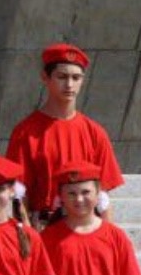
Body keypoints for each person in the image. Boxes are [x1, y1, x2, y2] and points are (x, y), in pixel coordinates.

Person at [9, 44, 126, 224]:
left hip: (87, 227)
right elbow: (19, 195)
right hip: (45, 227)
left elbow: (103, 196)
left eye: (76, 77)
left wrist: (107, 234)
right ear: (45, 77)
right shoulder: (25, 132)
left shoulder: (95, 133)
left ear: (83, 80)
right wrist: (27, 235)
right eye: (62, 77)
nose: (69, 85)